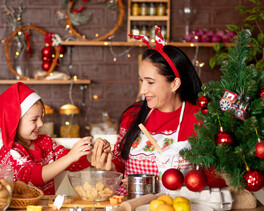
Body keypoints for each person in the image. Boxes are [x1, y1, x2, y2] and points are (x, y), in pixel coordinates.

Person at [90, 27, 219, 195]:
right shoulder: (132, 115)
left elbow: (216, 177)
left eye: (150, 82)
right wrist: (107, 164)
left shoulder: (200, 119)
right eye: (141, 81)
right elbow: (120, 166)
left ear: (174, 84)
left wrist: (163, 182)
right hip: (131, 208)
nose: (143, 90)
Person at [0, 82, 105, 195]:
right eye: (34, 119)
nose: (41, 123)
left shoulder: (45, 142)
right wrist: (70, 156)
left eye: (41, 117)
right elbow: (34, 176)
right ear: (14, 123)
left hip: (46, 206)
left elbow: (71, 163)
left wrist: (94, 155)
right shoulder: (10, 153)